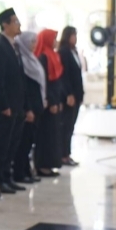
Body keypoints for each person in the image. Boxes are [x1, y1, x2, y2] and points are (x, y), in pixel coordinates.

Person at [0, 8, 28, 194]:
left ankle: (7, 175)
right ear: (5, 25)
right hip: (7, 106)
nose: (19, 25)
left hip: (17, 104)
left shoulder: (14, 45)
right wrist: (3, 104)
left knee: (13, 143)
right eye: (15, 22)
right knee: (3, 144)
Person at [12, 31, 46, 184]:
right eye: (31, 42)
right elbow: (24, 89)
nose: (34, 45)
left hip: (37, 106)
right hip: (28, 107)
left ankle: (26, 171)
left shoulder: (32, 59)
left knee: (29, 141)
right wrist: (28, 109)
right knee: (23, 142)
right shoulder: (22, 61)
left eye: (35, 42)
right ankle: (19, 172)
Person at [33, 29, 65, 177]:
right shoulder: (43, 57)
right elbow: (45, 82)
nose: (55, 42)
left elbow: (58, 81)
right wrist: (52, 101)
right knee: (45, 134)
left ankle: (50, 164)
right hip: (48, 103)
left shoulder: (54, 55)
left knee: (54, 135)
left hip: (55, 100)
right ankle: (42, 165)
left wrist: (59, 100)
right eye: (53, 38)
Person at [58, 26, 83, 167]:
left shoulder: (74, 51)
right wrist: (68, 94)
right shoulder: (64, 52)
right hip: (69, 96)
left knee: (71, 126)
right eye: (73, 35)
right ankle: (63, 155)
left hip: (76, 95)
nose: (75, 38)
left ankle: (67, 154)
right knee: (66, 126)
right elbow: (65, 76)